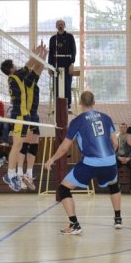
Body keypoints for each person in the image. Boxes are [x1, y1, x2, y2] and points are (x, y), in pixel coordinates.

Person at [43, 90, 123, 234]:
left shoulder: (77, 121)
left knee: (63, 189)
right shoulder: (106, 118)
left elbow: (64, 147)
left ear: (80, 103)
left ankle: (74, 224)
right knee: (114, 185)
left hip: (90, 163)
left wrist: (52, 159)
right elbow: (115, 143)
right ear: (94, 102)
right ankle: (118, 219)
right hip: (110, 161)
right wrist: (108, 158)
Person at [1, 43, 48, 192]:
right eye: (14, 65)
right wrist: (37, 53)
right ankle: (13, 174)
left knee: (20, 145)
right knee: (18, 145)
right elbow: (31, 64)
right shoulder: (15, 77)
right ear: (11, 69)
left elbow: (35, 67)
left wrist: (41, 55)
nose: (17, 66)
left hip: (24, 115)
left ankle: (15, 174)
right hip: (20, 114)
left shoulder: (18, 78)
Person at [48, 19, 76, 109]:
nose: (60, 26)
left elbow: (74, 51)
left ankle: (68, 105)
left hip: (67, 62)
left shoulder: (70, 37)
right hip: (56, 62)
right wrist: (50, 66)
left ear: (64, 26)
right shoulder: (53, 38)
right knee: (56, 84)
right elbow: (50, 53)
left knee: (67, 84)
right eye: (58, 24)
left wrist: (72, 63)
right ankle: (57, 105)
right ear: (56, 26)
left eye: (62, 24)